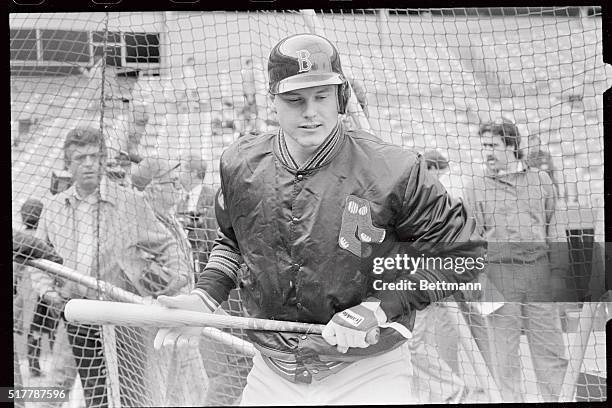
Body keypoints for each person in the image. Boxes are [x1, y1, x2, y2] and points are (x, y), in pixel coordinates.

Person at [154, 33, 485, 405]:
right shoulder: (240, 163)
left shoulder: (396, 169)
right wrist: (204, 298)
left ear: (341, 97)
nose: (310, 111)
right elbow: (233, 242)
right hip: (272, 370)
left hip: (369, 369)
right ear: (272, 102)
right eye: (295, 100)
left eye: (321, 96)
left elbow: (464, 256)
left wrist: (380, 308)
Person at [26, 127, 192, 407]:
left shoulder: (129, 202)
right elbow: (37, 261)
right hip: (75, 311)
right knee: (82, 390)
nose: (89, 163)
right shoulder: (53, 208)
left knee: (132, 393)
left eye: (94, 156)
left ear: (103, 159)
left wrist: (176, 282)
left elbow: (165, 245)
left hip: (123, 316)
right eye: (80, 158)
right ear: (68, 164)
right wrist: (49, 294)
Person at [463, 120, 569, 402]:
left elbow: (555, 228)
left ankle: (557, 398)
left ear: (512, 146)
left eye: (493, 146)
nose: (487, 152)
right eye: (484, 146)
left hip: (539, 273)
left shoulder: (541, 181)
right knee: (504, 355)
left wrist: (559, 274)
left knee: (551, 350)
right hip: (498, 276)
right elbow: (469, 240)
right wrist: (477, 283)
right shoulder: (475, 188)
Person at [176, 153, 218, 274]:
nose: (179, 175)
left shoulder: (212, 197)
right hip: (186, 260)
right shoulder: (180, 200)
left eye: (182, 170)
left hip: (205, 261)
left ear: (193, 173)